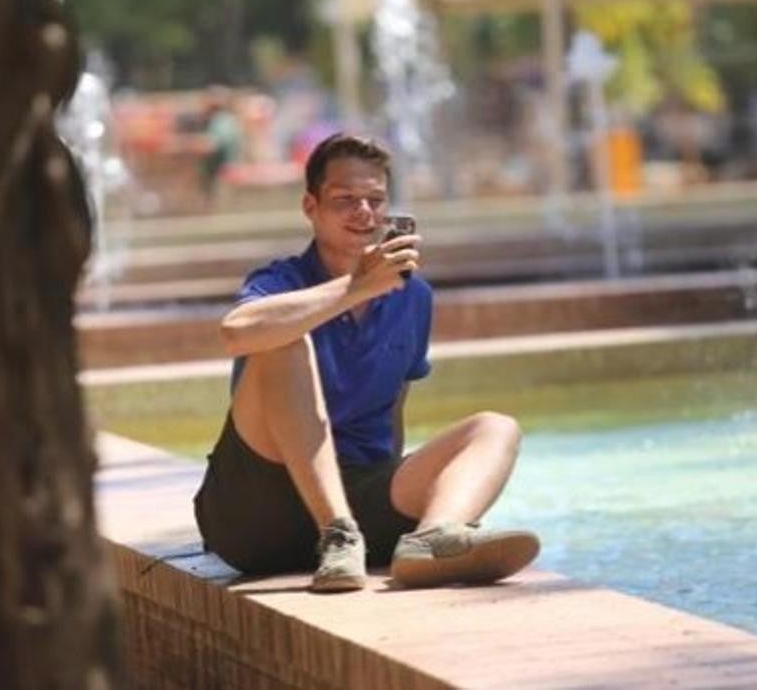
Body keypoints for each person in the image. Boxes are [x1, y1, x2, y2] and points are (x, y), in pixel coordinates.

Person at [193, 133, 540, 592]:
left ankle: (430, 541)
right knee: (283, 339)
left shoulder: (412, 296)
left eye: (375, 199)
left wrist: (396, 490)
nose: (364, 212)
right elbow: (236, 332)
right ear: (310, 207)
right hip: (256, 509)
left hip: (361, 503)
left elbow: (393, 411)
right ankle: (336, 531)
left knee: (495, 428)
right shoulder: (281, 281)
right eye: (345, 199)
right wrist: (357, 287)